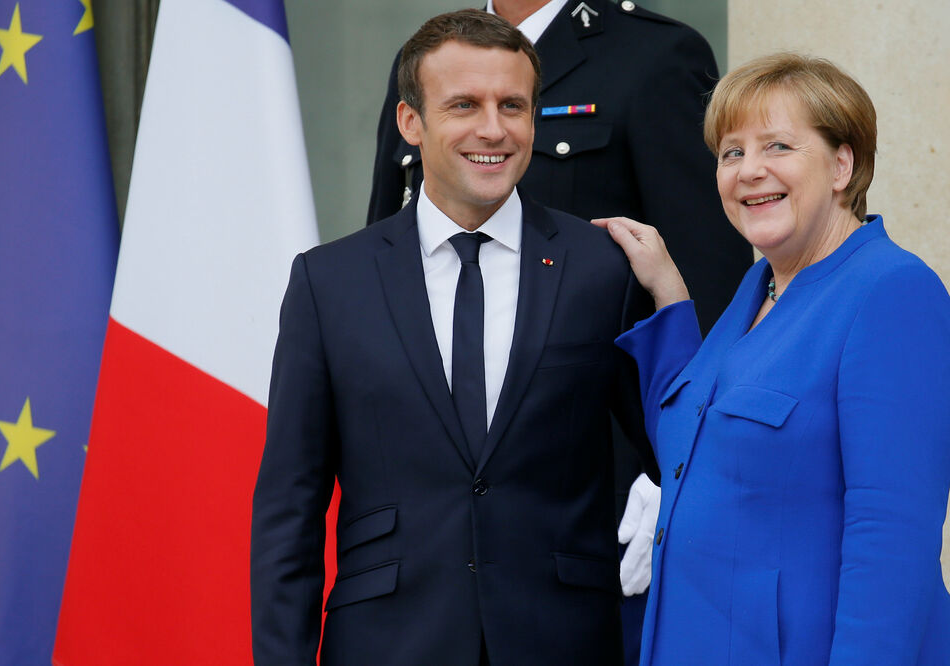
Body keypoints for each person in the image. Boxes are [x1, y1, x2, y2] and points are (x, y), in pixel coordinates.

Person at [251, 10, 656, 665]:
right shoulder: (330, 282)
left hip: (563, 641)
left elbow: (683, 448)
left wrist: (675, 306)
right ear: (412, 122)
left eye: (513, 105)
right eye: (464, 104)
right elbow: (289, 509)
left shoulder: (602, 267)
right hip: (386, 643)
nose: (492, 129)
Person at [368, 6, 753, 657]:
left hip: (591, 505)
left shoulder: (654, 56)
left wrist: (674, 473)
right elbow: (387, 269)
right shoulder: (427, 59)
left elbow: (703, 283)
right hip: (432, 535)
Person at [595, 53, 950, 664]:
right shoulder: (760, 286)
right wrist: (670, 297)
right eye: (732, 153)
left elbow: (892, 543)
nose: (749, 171)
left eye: (778, 146)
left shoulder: (891, 290)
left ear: (843, 165)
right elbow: (691, 452)